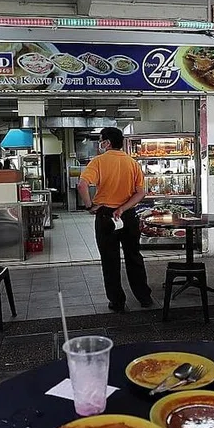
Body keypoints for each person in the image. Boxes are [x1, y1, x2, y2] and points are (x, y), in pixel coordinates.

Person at [77, 127, 153, 312]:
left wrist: (89, 205)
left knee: (110, 260)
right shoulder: (132, 163)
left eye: (101, 140)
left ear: (108, 142)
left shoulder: (98, 162)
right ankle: (144, 298)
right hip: (128, 216)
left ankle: (117, 301)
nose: (100, 144)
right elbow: (141, 192)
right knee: (134, 256)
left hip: (105, 216)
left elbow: (82, 184)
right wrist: (122, 208)